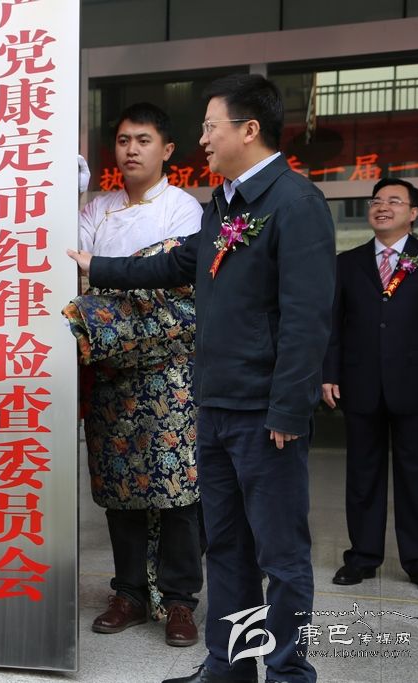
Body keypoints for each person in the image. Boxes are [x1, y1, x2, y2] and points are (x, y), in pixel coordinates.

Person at [68, 74, 335, 683]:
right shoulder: (224, 203)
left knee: (281, 556)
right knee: (230, 548)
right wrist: (96, 265)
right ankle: (228, 668)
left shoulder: (294, 202)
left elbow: (307, 317)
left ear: (250, 129)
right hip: (211, 405)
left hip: (264, 413)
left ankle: (289, 674)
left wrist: (289, 409)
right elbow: (179, 263)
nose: (203, 139)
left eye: (211, 127)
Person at [70, 103, 203, 647]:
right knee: (118, 485)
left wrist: (102, 286)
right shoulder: (97, 209)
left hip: (167, 369)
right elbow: (70, 272)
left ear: (166, 150)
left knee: (175, 485)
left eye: (143, 140)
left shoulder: (184, 209)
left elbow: (176, 282)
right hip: (109, 370)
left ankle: (179, 599)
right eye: (124, 140)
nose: (131, 149)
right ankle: (127, 592)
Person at [323, 178, 418, 597]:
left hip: (416, 385)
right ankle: (362, 557)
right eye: (377, 201)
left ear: (413, 213)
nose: (382, 207)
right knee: (362, 474)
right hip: (359, 382)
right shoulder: (348, 263)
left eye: (394, 201)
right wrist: (329, 373)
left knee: (417, 475)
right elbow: (334, 325)